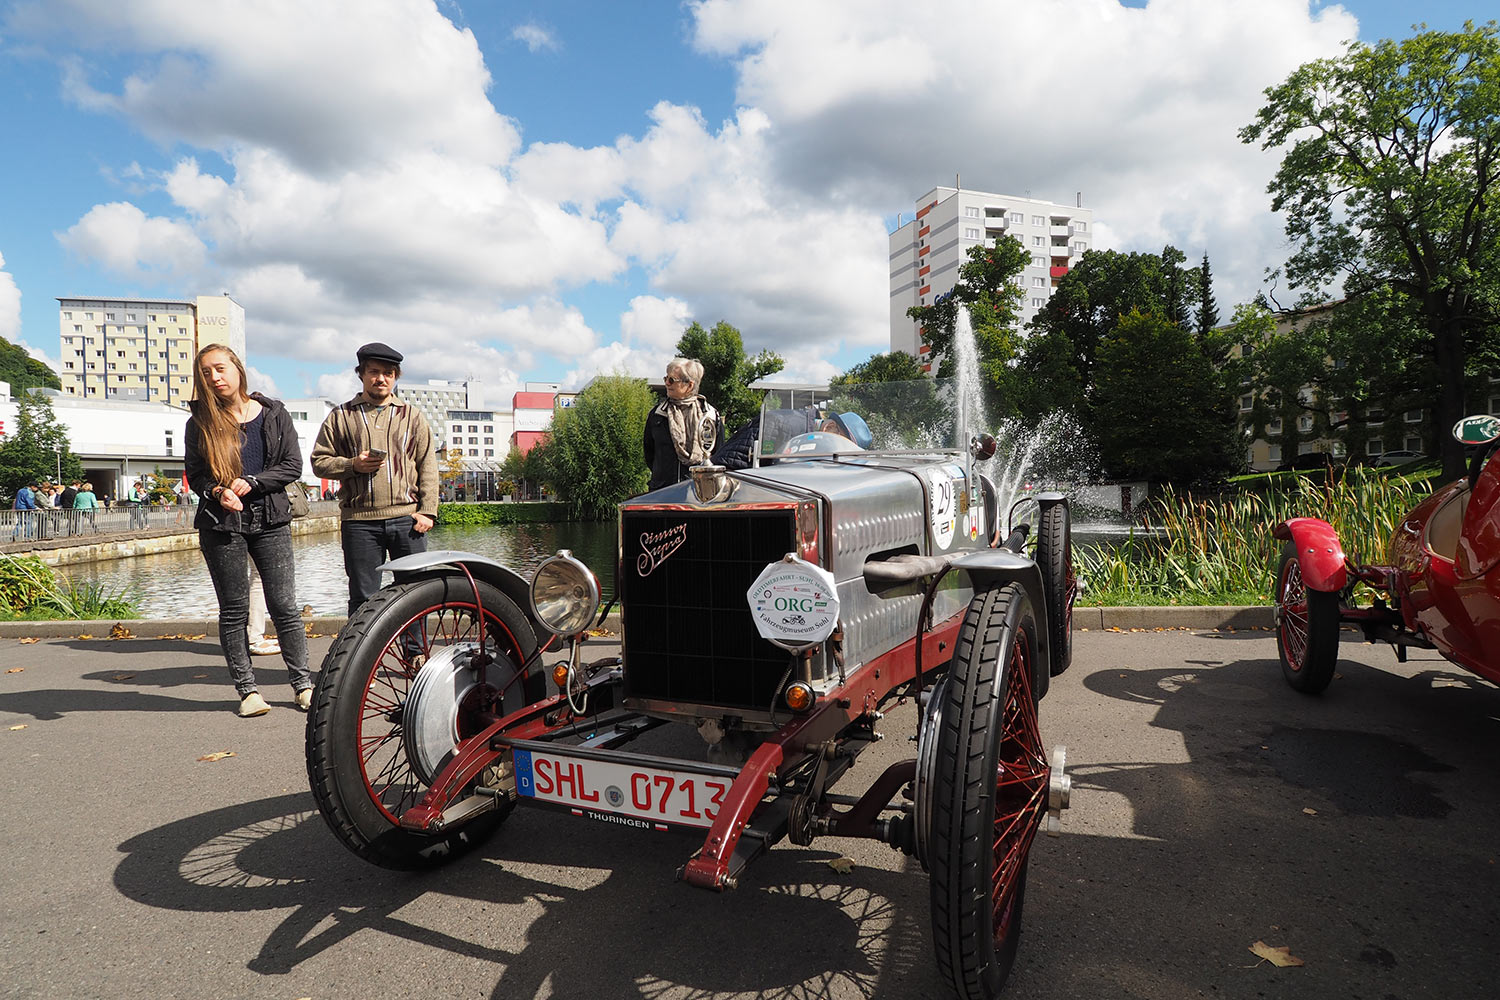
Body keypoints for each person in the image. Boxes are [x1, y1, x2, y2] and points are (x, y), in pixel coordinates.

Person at [184, 343, 312, 718]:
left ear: (238, 368)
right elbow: (196, 474)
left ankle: (302, 685)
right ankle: (248, 691)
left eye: (220, 368)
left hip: (270, 519)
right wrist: (218, 490)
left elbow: (291, 466)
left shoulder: (273, 413)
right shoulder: (200, 422)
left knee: (285, 606)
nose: (214, 378)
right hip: (222, 524)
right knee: (234, 608)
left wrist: (253, 482)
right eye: (206, 373)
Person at [311, 342, 439, 620]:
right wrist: (351, 465)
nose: (381, 378)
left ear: (395, 377)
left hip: (408, 520)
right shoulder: (341, 416)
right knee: (363, 596)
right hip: (359, 521)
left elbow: (427, 464)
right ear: (361, 374)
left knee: (414, 593)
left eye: (388, 373)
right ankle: (359, 660)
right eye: (374, 372)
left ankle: (414, 654)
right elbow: (318, 462)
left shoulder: (412, 416)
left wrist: (428, 510)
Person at [643, 358, 724, 492]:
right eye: (666, 378)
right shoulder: (657, 414)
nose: (667, 384)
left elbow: (717, 454)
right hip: (663, 491)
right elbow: (649, 452)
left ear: (690, 385)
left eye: (672, 380)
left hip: (699, 492)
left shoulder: (710, 415)